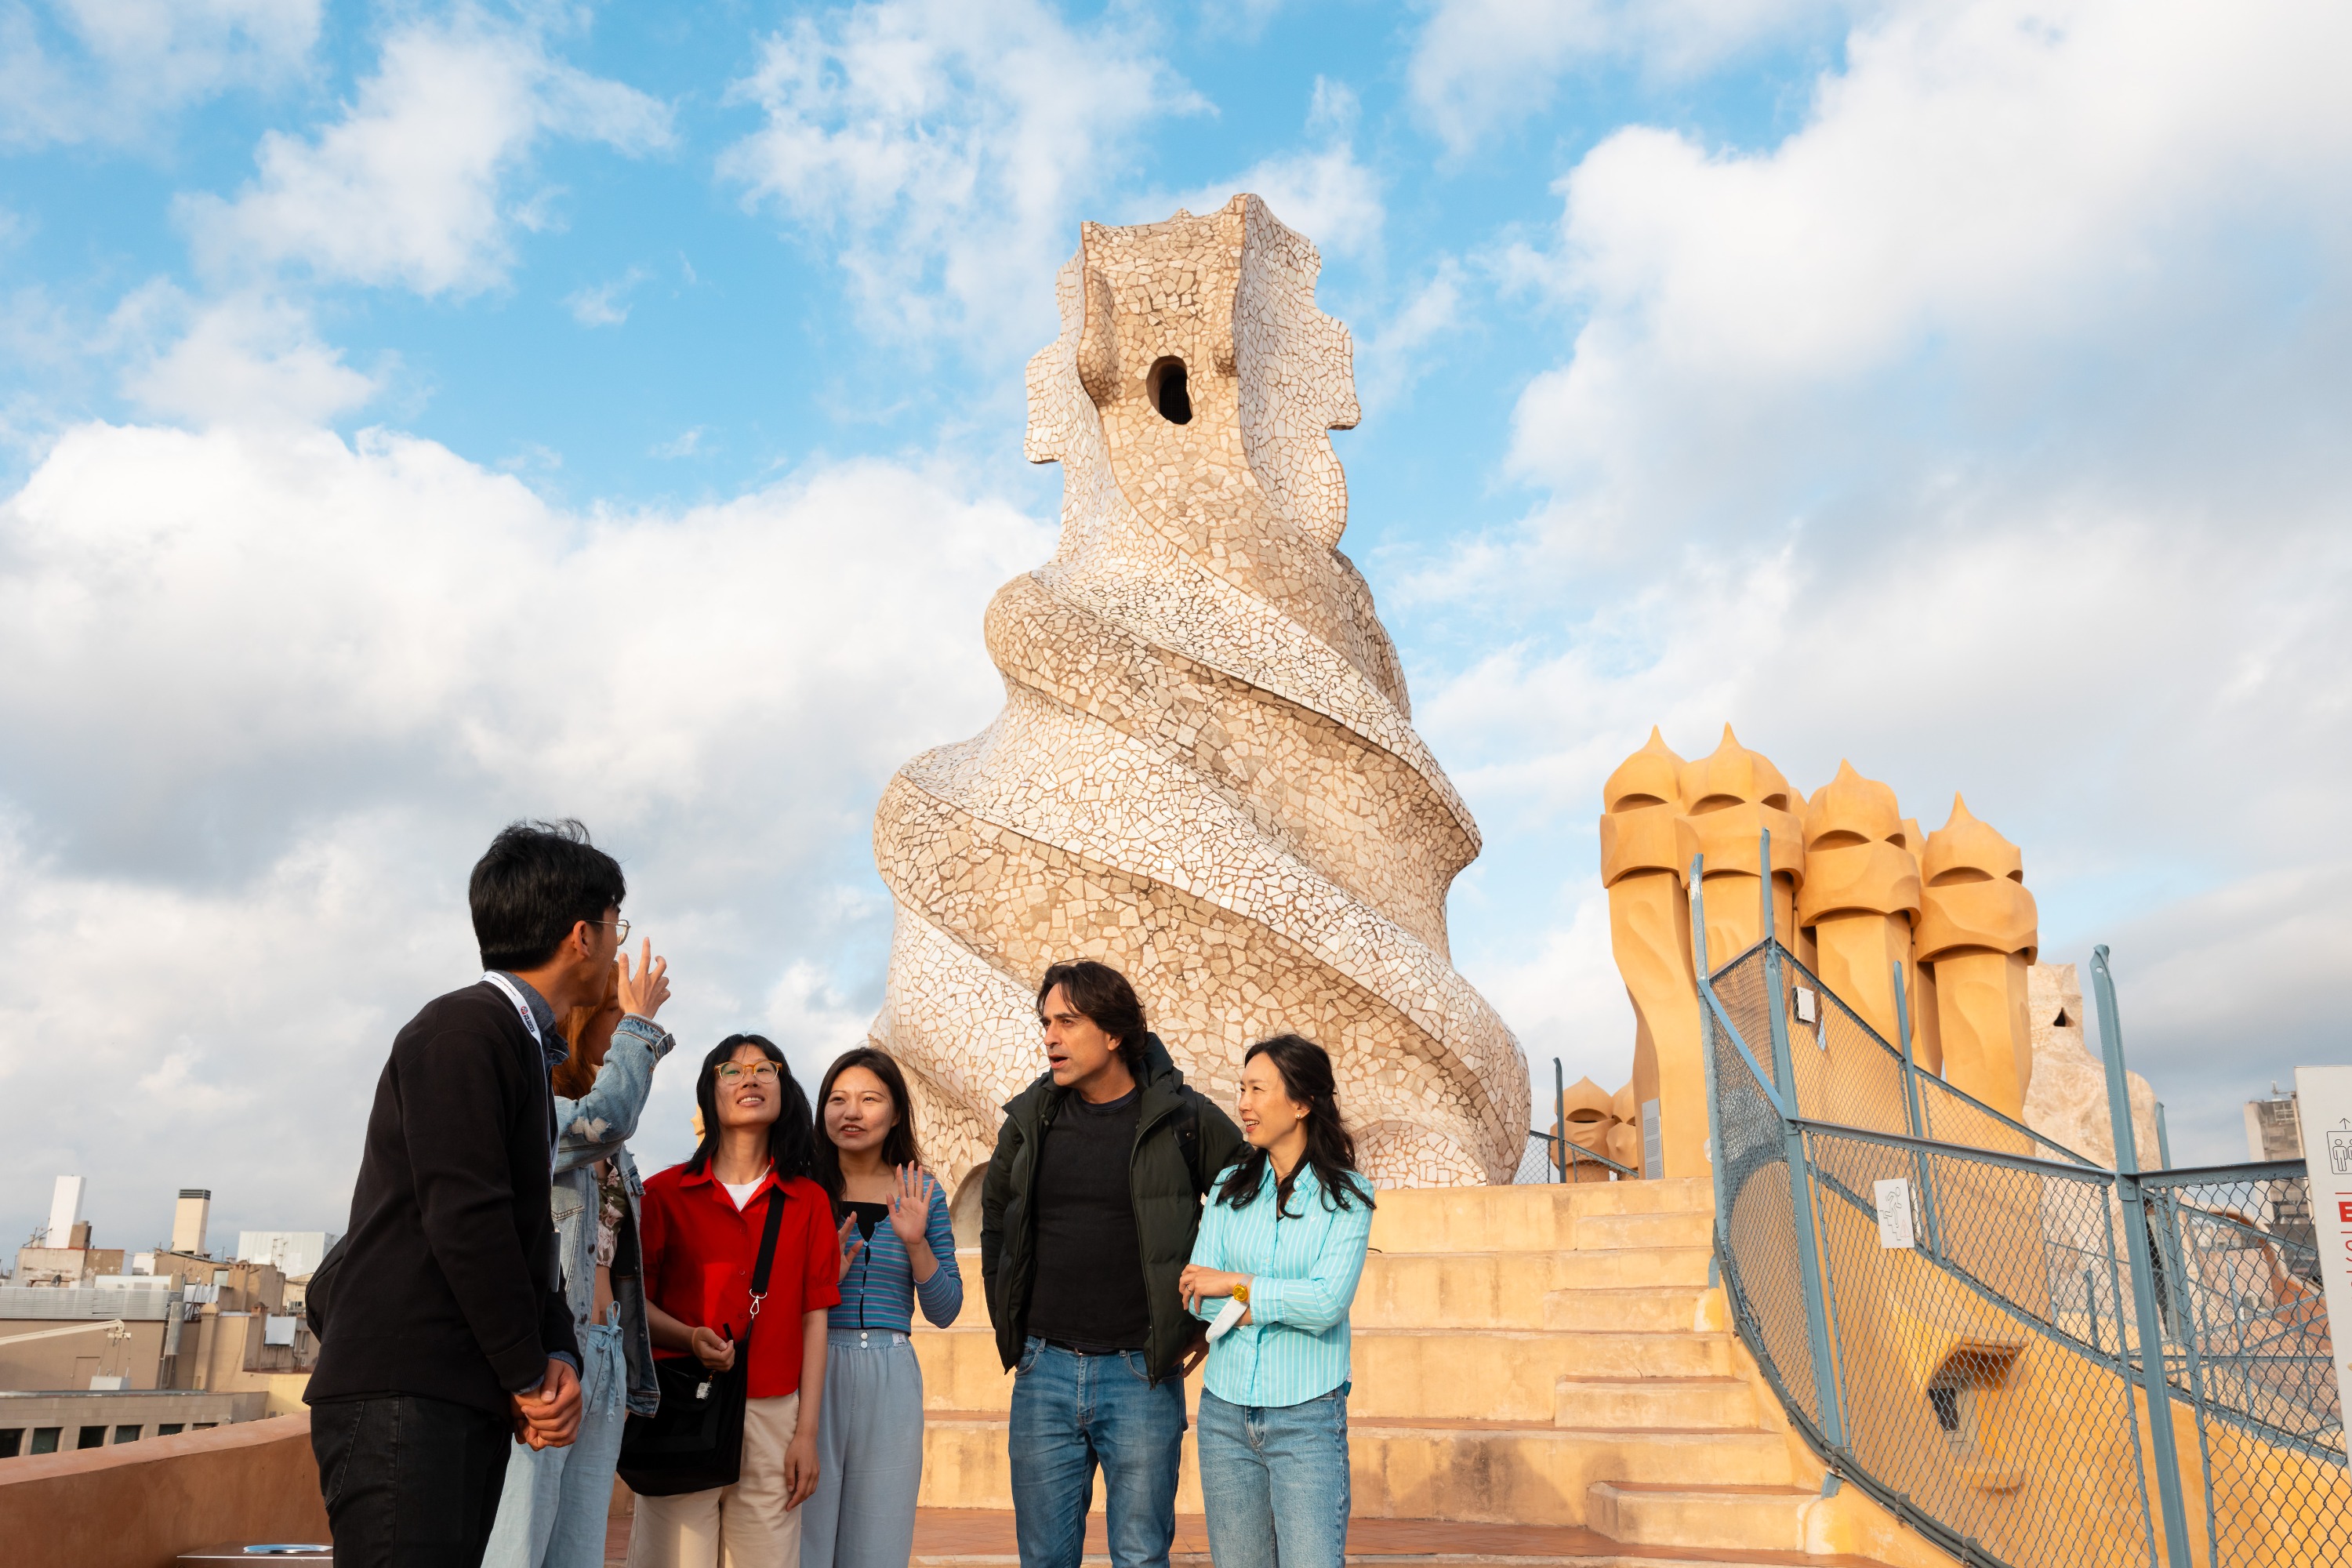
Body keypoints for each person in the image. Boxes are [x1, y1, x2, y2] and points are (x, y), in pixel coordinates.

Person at [309, 820, 620, 1568]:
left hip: (456, 1397)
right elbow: (467, 1220)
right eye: (617, 926)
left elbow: (526, 1237)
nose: (618, 946)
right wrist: (529, 1376)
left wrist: (555, 1354)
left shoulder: (518, 1044)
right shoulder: (462, 1030)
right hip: (406, 1398)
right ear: (582, 935)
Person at [981, 960, 1247, 1568]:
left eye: (1068, 1022)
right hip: (1043, 1370)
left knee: (1140, 1556)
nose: (1051, 1037)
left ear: (1114, 1033)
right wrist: (1011, 1323)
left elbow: (1248, 1209)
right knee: (1043, 1560)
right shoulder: (1030, 1121)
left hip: (1141, 1375)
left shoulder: (1184, 1119)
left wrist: (1208, 1317)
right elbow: (996, 1219)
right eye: (1046, 1022)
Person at [485, 938, 677, 1568]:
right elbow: (609, 1116)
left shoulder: (616, 1155)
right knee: (518, 1545)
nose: (622, 1023)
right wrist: (642, 1025)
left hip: (608, 1352)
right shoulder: (546, 1114)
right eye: (614, 1010)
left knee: (578, 1551)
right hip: (551, 1353)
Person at [633, 1034, 841, 1568]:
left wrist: (807, 1434)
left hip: (774, 1416)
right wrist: (689, 1338)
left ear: (783, 1090)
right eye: (731, 1070)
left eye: (765, 1068)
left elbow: (814, 1320)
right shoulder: (662, 1194)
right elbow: (633, 1308)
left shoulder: (810, 1200)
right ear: (709, 1093)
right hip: (682, 1407)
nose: (750, 1077)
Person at [1178, 1035, 1374, 1568]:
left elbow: (1326, 1303)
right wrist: (1250, 1294)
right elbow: (1196, 1294)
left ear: (1302, 1103)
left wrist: (1237, 1284)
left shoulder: (1348, 1198)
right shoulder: (1228, 1187)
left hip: (1308, 1419)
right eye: (1242, 1089)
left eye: (1258, 1090)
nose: (1243, 1103)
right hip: (1224, 1416)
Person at [803, 1047, 963, 1568]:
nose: (851, 1112)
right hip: (812, 1364)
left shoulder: (923, 1192)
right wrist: (822, 1280)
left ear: (895, 1114)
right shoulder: (802, 1190)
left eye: (870, 1099)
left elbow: (945, 1309)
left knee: (880, 1539)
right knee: (804, 1533)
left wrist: (916, 1244)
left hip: (892, 1369)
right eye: (838, 1099)